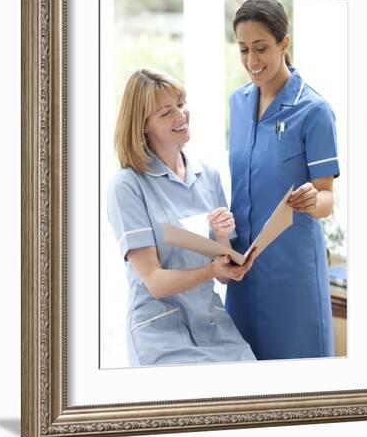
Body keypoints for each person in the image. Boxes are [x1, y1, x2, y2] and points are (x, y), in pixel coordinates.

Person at [107, 68, 256, 366]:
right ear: (143, 126)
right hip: (159, 331)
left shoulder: (207, 175)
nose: (181, 115)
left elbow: (224, 274)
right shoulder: (127, 185)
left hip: (212, 324)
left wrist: (225, 241)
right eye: (166, 112)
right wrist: (211, 271)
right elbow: (155, 282)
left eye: (181, 102)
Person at [226, 0, 340, 360]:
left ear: (284, 43)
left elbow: (326, 199)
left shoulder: (314, 111)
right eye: (243, 49)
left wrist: (312, 198)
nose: (251, 61)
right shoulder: (238, 103)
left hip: (293, 276)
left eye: (261, 48)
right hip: (244, 271)